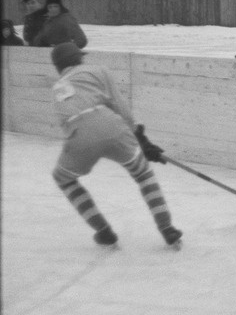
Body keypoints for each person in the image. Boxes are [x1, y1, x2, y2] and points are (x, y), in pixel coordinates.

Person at [49, 42, 182, 248]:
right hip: (111, 125)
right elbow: (120, 106)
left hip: (77, 133)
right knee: (143, 175)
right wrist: (140, 138)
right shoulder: (98, 71)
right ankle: (167, 229)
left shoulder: (58, 87)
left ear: (58, 66)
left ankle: (103, 231)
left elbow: (65, 122)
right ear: (78, 58)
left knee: (63, 178)